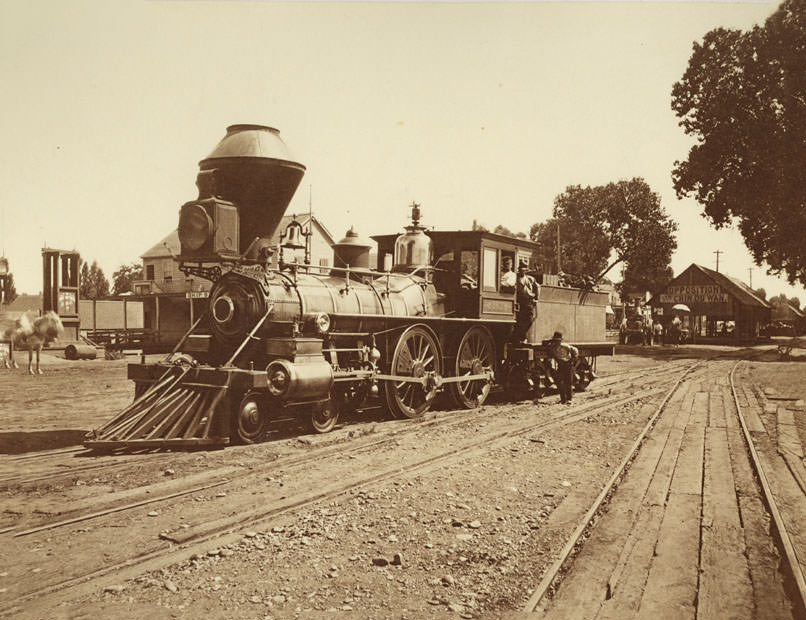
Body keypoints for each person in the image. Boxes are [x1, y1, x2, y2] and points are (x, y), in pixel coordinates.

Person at [513, 260, 539, 343]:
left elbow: (537, 287)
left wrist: (537, 298)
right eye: (521, 270)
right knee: (519, 321)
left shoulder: (530, 279)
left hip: (529, 301)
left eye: (524, 270)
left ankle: (522, 335)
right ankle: (521, 337)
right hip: (520, 301)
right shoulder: (515, 278)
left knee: (529, 320)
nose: (522, 271)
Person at [550, 331, 578, 404]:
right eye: (555, 341)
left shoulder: (566, 346)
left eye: (558, 341)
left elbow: (575, 350)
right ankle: (563, 399)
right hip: (561, 365)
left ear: (561, 340)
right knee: (559, 382)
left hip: (568, 365)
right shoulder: (552, 347)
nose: (557, 342)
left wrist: (573, 359)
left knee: (568, 382)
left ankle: (569, 399)